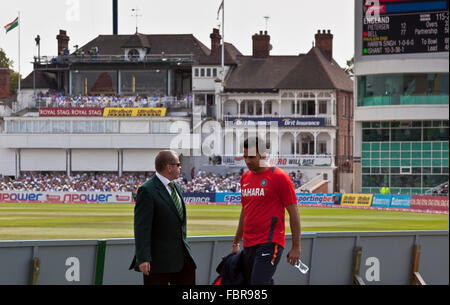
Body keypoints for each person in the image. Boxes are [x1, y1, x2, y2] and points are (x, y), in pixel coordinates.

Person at [231, 137, 302, 285]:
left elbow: (293, 211)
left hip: (270, 241)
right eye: (244, 156)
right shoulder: (245, 178)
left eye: (251, 157)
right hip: (248, 244)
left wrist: (296, 247)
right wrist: (236, 241)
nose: (247, 161)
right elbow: (245, 210)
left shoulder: (279, 177)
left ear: (263, 155)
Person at [129, 150, 196, 285]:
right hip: (158, 262)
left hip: (183, 259)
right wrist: (143, 258)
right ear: (169, 167)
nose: (180, 167)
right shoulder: (147, 190)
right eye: (178, 164)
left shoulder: (176, 187)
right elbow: (141, 227)